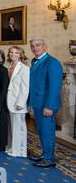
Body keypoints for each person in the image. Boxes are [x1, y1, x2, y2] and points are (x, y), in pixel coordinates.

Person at [28, 38, 63, 168]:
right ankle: (45, 154)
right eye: (32, 46)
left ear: (45, 47)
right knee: (42, 131)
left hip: (46, 104)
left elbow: (55, 87)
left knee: (47, 131)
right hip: (37, 103)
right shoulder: (35, 61)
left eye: (38, 45)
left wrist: (49, 106)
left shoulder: (52, 63)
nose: (35, 48)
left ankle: (49, 158)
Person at [6, 46, 29, 157]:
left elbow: (25, 87)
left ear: (20, 55)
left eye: (16, 53)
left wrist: (21, 102)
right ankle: (11, 148)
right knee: (11, 127)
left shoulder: (24, 68)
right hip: (9, 101)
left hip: (18, 102)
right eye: (11, 52)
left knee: (19, 128)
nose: (13, 54)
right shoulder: (9, 66)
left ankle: (20, 151)